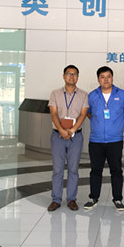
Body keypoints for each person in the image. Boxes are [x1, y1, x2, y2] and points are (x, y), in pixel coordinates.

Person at [84, 66, 124, 211]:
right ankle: (93, 198)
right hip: (96, 140)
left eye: (108, 76)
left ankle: (117, 199)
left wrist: (118, 123)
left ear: (112, 78)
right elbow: (88, 113)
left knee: (116, 170)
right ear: (98, 79)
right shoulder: (92, 96)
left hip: (115, 140)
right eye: (102, 77)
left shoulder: (121, 94)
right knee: (95, 170)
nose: (106, 79)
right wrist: (98, 124)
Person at [47, 65, 89, 212]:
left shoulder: (83, 95)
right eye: (69, 74)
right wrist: (61, 130)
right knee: (58, 169)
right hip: (57, 135)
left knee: (73, 169)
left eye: (75, 74)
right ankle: (56, 199)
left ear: (78, 77)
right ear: (64, 76)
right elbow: (53, 113)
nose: (72, 76)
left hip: (75, 136)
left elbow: (83, 114)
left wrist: (72, 130)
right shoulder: (55, 94)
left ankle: (71, 199)